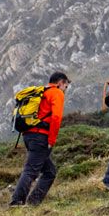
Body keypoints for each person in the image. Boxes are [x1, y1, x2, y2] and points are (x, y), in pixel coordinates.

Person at [11, 71, 70, 206]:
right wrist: (51, 140)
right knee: (31, 170)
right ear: (61, 83)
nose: (65, 90)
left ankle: (33, 203)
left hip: (28, 135)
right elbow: (56, 118)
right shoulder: (56, 93)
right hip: (41, 137)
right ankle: (17, 202)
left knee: (50, 171)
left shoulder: (42, 92)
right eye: (66, 86)